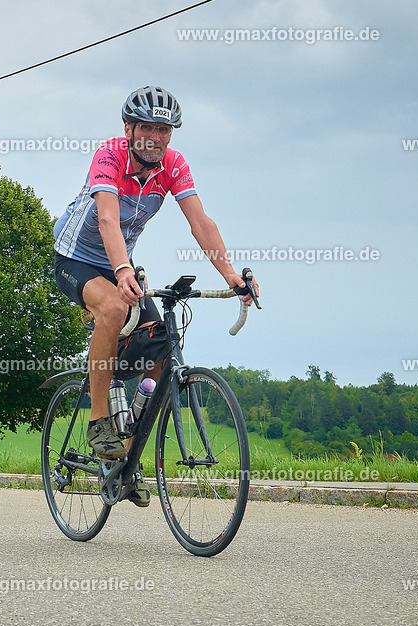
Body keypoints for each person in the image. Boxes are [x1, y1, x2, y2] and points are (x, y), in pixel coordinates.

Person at [53, 85, 258, 505]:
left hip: (121, 262)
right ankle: (98, 421)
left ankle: (130, 451)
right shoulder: (109, 155)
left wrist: (232, 274)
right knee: (111, 307)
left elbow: (200, 222)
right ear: (129, 128)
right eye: (146, 127)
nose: (155, 137)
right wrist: (123, 269)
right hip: (78, 259)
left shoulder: (173, 165)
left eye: (164, 129)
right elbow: (108, 219)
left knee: (164, 337)